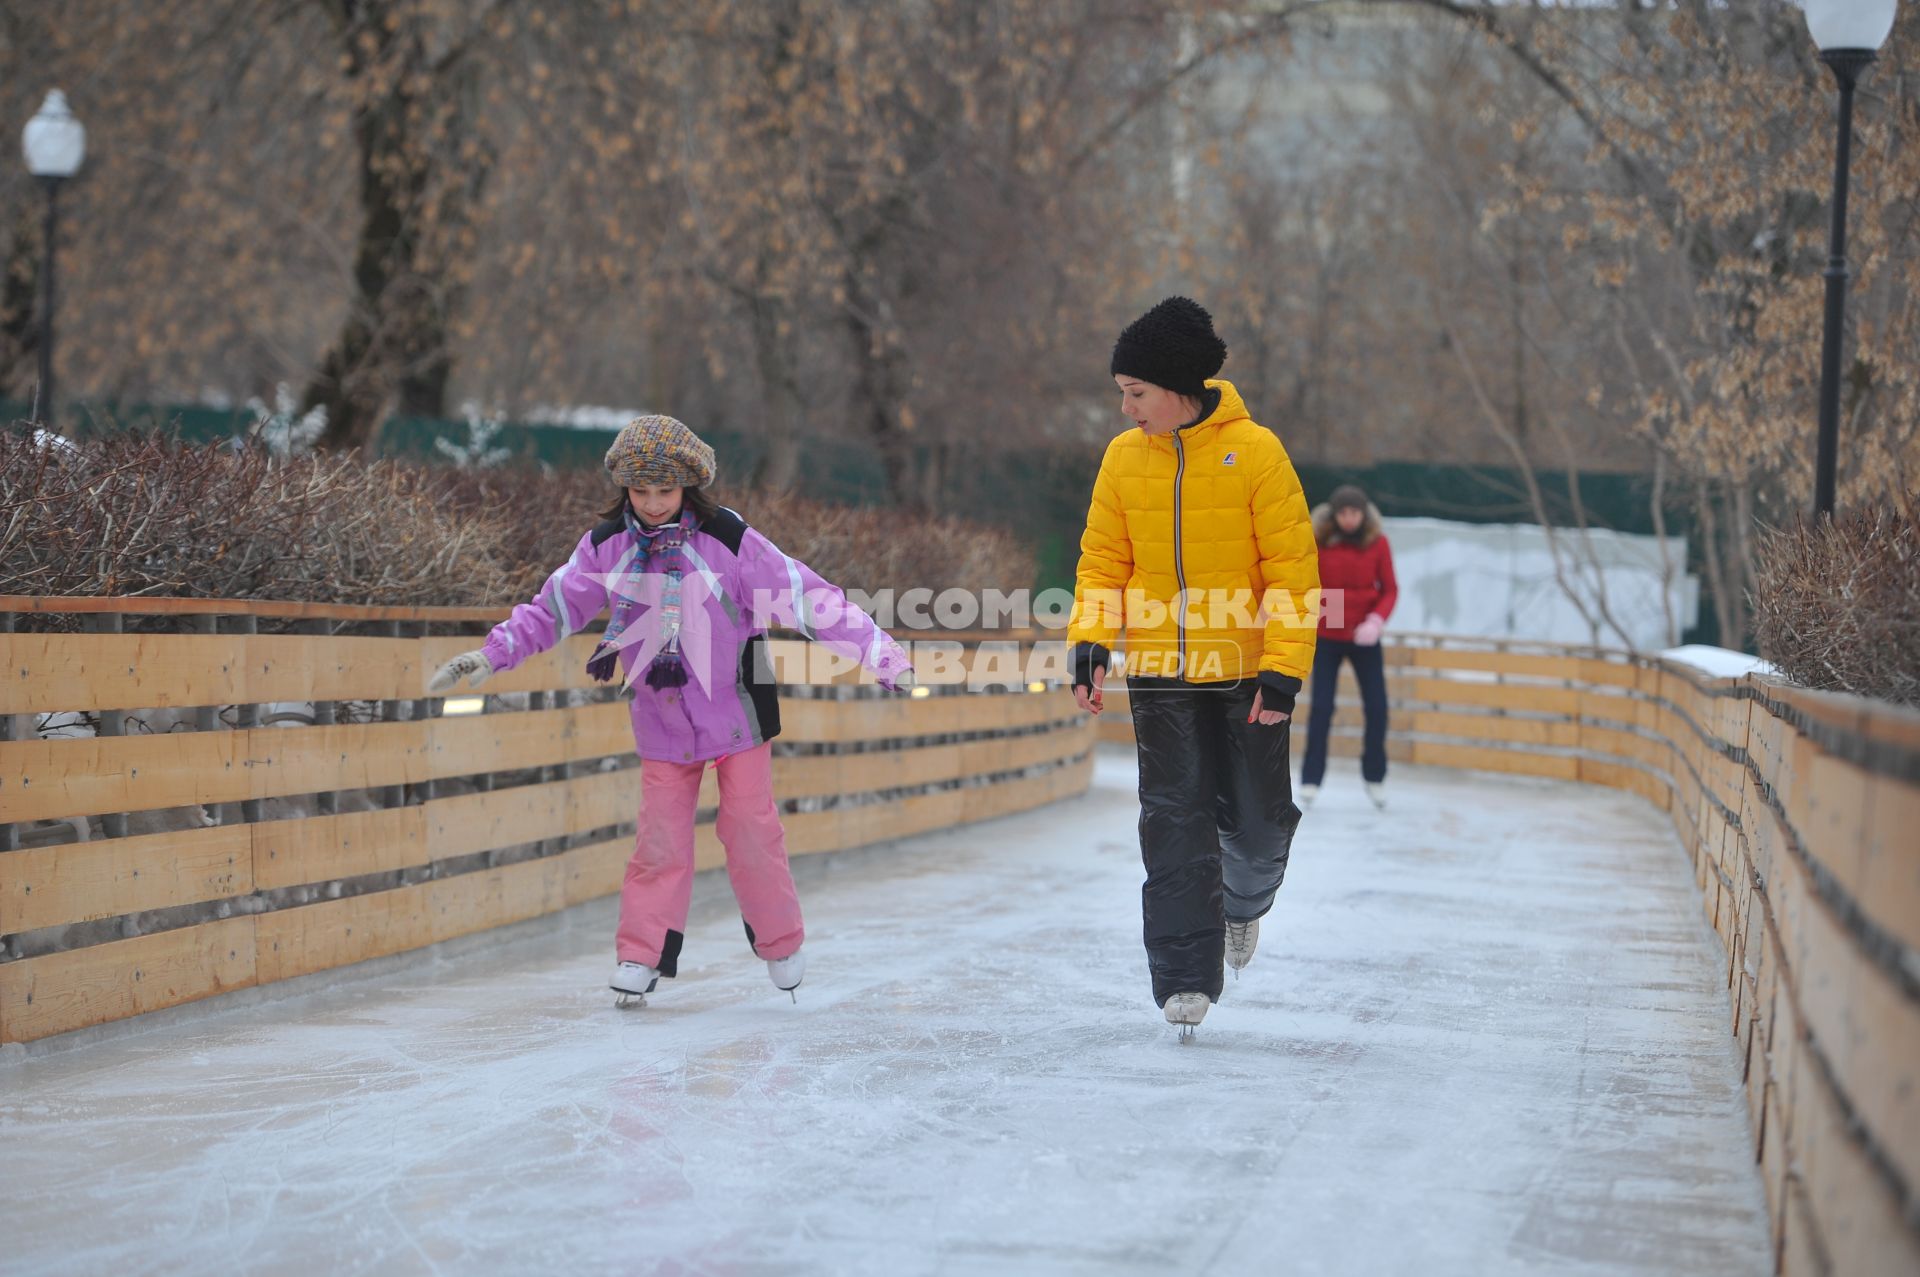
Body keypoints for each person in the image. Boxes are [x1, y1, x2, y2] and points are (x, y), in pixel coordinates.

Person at [428, 415, 913, 1007]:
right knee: (659, 840)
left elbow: (810, 598)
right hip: (661, 714)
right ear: (623, 488)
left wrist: (881, 654)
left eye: (665, 490)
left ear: (688, 486)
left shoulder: (730, 541)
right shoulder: (608, 546)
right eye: (641, 490)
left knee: (749, 830)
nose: (653, 503)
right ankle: (641, 956)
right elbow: (554, 608)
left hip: (737, 710)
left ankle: (781, 942)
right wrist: (491, 654)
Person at [1067, 296, 1319, 1038]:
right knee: (1174, 822)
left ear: (1178, 388)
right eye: (1123, 392)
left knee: (1258, 822)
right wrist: (1091, 642)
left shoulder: (1258, 454)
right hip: (1161, 675)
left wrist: (1283, 669)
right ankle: (1183, 978)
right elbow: (1102, 561)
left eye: (1136, 392)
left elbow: (1293, 573)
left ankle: (1244, 906)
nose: (1126, 407)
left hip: (1244, 672)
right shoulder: (1122, 458)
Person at [1299, 484, 1398, 811]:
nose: (1349, 519)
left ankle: (1375, 776)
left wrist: (1375, 622)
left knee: (1377, 707)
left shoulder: (1378, 543)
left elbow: (1390, 590)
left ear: (1364, 514)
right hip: (1328, 635)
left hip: (1364, 637)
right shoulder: (1320, 540)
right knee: (1322, 708)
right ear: (1335, 514)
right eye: (1344, 513)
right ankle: (1311, 780)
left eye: (1355, 513)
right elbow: (1305, 580)